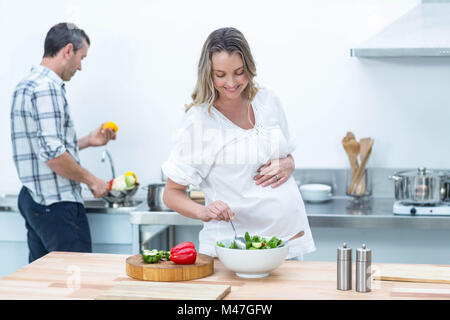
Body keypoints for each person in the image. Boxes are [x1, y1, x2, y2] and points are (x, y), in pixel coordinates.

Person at [162, 27, 315, 259]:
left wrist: (289, 164)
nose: (231, 82)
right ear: (208, 74)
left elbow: (285, 155)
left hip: (287, 243)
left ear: (249, 68)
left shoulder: (268, 100)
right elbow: (171, 193)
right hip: (234, 250)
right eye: (220, 74)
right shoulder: (199, 121)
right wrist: (203, 211)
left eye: (239, 72)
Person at [10, 23, 116, 263]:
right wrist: (93, 180)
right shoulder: (48, 88)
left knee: (45, 286)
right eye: (81, 58)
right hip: (57, 204)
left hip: (34, 200)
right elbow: (54, 157)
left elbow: (43, 148)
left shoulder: (26, 85)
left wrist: (88, 141)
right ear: (68, 50)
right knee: (76, 288)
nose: (80, 66)